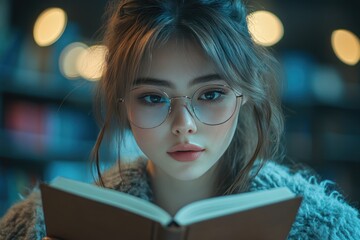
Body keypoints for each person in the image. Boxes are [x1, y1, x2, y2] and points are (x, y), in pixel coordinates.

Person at [1, 0, 359, 239]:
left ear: (245, 92)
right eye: (153, 98)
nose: (183, 124)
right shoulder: (37, 225)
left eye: (211, 94)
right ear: (123, 102)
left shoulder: (327, 228)